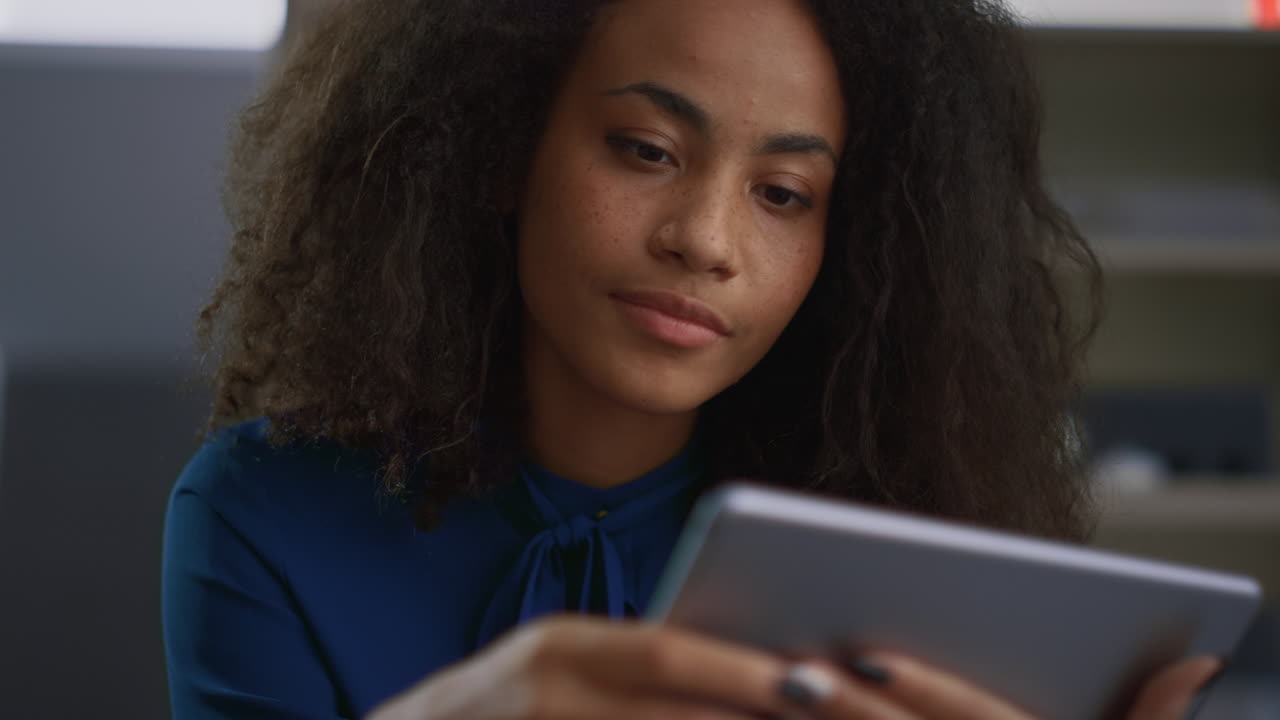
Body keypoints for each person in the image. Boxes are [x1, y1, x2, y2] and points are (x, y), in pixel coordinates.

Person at [161, 0, 1221, 717]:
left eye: (783, 196)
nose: (705, 241)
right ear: (497, 151)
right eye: (646, 150)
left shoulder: (916, 556)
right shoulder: (265, 512)